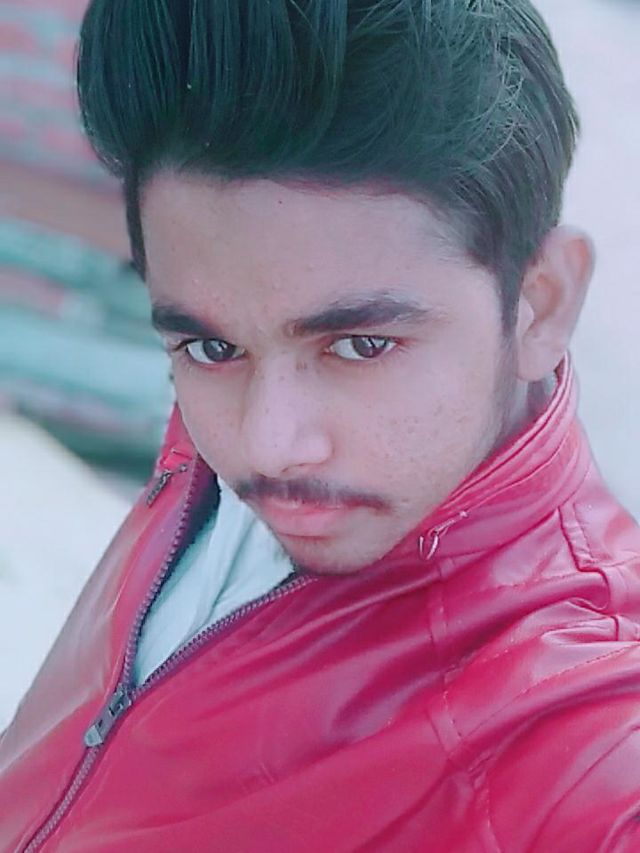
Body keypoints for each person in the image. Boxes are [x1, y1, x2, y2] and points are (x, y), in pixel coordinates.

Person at [2, 0, 639, 850]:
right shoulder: (256, 411)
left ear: (540, 302)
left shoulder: (582, 748)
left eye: (361, 345)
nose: (268, 443)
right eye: (209, 346)